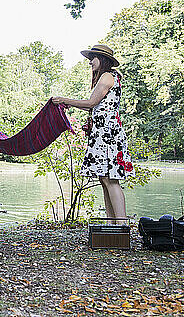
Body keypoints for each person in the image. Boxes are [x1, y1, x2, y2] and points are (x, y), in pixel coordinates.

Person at [52, 44, 134, 222]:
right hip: (104, 132)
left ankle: (121, 225)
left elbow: (91, 102)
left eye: (93, 58)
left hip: (107, 134)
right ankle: (113, 224)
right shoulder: (112, 77)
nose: (90, 62)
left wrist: (64, 100)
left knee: (111, 180)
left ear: (103, 60)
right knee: (105, 179)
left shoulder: (107, 76)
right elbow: (98, 107)